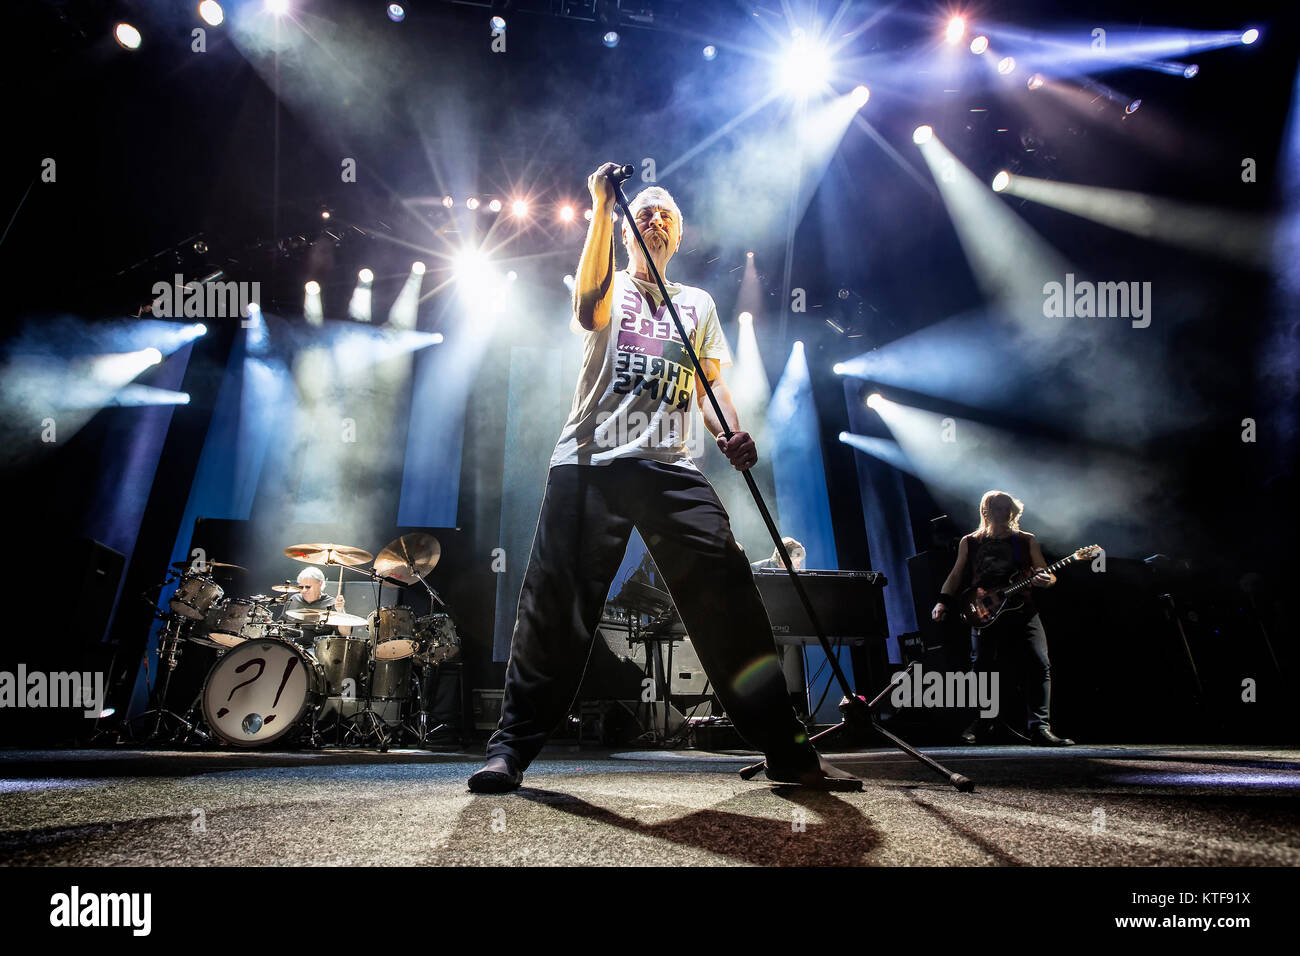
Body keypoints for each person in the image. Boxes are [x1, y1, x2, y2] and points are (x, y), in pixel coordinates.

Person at [467, 165, 860, 792]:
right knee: (556, 606)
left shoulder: (697, 305)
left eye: (666, 215)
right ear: (626, 230)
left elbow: (711, 386)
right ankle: (510, 748)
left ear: (676, 235)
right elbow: (585, 306)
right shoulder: (610, 283)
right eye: (642, 212)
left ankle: (788, 749)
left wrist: (731, 429)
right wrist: (600, 205)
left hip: (672, 467)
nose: (654, 218)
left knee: (728, 592)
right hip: (590, 464)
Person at [931, 490, 1074, 746]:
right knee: (981, 668)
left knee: (1039, 664)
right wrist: (943, 601)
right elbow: (956, 574)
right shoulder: (970, 541)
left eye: (1007, 507)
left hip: (1022, 609)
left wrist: (1046, 579)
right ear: (986, 511)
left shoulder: (1025, 540)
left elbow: (1045, 573)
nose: (1003, 512)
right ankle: (983, 722)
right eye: (997, 507)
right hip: (983, 609)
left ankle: (1040, 727)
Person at [282, 566, 352, 642]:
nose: (304, 590)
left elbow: (345, 633)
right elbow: (281, 624)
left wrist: (340, 611)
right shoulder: (294, 599)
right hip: (290, 646)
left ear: (320, 583)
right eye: (301, 587)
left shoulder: (332, 603)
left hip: (314, 650)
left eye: (308, 587)